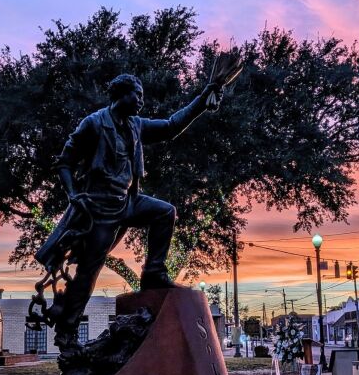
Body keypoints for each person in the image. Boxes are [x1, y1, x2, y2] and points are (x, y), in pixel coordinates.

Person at [36, 74, 224, 350]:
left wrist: (202, 100)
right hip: (99, 208)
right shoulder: (93, 124)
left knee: (165, 212)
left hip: (127, 201)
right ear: (121, 95)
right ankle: (67, 331)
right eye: (137, 94)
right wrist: (74, 195)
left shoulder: (136, 125)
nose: (141, 100)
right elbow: (64, 161)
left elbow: (171, 126)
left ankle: (154, 274)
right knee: (89, 272)